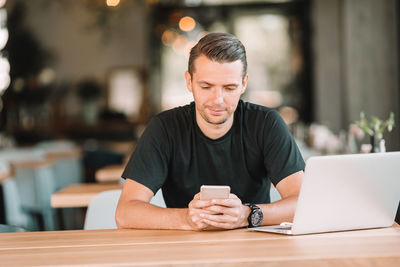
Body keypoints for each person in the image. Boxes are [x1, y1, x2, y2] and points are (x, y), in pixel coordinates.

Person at [116, 32, 305, 231]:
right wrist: (187, 218)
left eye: (229, 88)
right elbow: (125, 213)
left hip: (254, 250)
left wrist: (247, 215)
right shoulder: (164, 128)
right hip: (182, 251)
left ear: (244, 84)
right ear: (189, 81)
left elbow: (303, 203)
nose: (218, 100)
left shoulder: (266, 124)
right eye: (206, 86)